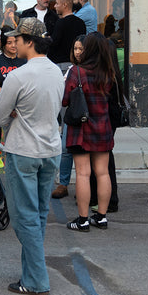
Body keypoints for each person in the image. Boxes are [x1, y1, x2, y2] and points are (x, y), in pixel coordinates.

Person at [0, 18, 64, 295]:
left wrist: (13, 112)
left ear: (29, 42)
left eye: (18, 39)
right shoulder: (56, 71)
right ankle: (30, 273)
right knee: (39, 214)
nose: (14, 43)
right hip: (51, 149)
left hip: (23, 150)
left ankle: (36, 279)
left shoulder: (18, 76)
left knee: (24, 218)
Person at [62, 33, 117, 232]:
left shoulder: (77, 72)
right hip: (103, 126)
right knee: (103, 173)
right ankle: (101, 217)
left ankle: (83, 220)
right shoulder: (107, 71)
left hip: (81, 128)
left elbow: (65, 100)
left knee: (83, 174)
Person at [52, 35, 85, 200]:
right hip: (72, 116)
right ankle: (63, 184)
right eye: (75, 49)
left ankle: (83, 188)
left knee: (84, 154)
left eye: (81, 49)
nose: (77, 52)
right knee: (66, 149)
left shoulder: (94, 69)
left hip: (88, 118)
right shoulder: (72, 70)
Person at [48, 0, 86, 67]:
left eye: (57, 3)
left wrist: (48, 40)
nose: (55, 6)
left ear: (65, 5)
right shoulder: (81, 23)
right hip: (76, 64)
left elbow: (54, 43)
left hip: (61, 63)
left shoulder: (61, 22)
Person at [0, 32, 27, 100]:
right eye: (9, 43)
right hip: (3, 99)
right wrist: (8, 98)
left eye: (15, 42)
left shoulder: (24, 60)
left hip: (22, 100)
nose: (13, 45)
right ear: (4, 44)